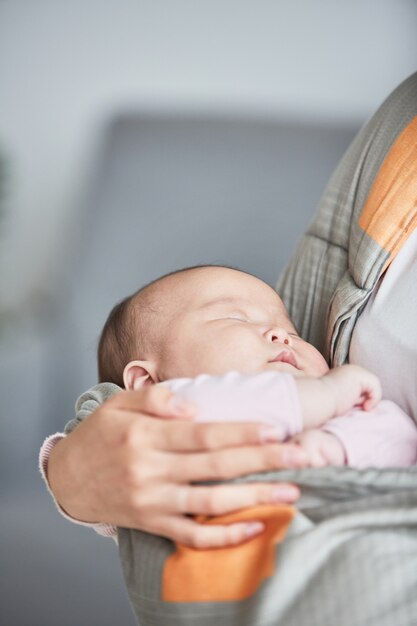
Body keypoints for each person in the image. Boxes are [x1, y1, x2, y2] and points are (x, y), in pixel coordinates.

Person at [40, 71, 417, 556]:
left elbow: (395, 439)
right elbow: (218, 410)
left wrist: (333, 447)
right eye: (236, 320)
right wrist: (328, 393)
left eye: (291, 330)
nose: (284, 336)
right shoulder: (178, 412)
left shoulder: (342, 412)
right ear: (148, 384)